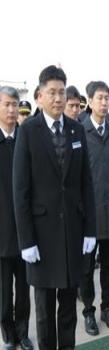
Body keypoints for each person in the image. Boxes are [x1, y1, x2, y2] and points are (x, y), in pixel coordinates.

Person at [13, 65, 96, 350]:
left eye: (62, 92)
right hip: (41, 236)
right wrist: (26, 241)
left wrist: (90, 230)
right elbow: (20, 190)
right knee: (45, 310)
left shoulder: (76, 129)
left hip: (72, 231)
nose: (58, 98)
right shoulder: (28, 132)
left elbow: (86, 183)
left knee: (68, 307)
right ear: (39, 96)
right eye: (52, 93)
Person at [80, 81, 109, 336]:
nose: (104, 102)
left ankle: (106, 308)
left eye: (107, 98)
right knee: (87, 267)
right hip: (88, 213)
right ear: (89, 101)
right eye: (99, 98)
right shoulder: (80, 130)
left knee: (108, 265)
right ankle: (88, 311)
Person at [0, 87, 33, 350]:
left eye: (15, 105)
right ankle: (8, 335)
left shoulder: (26, 139)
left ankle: (23, 332)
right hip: (1, 232)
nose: (12, 110)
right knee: (3, 295)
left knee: (24, 290)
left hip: (25, 232)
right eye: (7, 105)